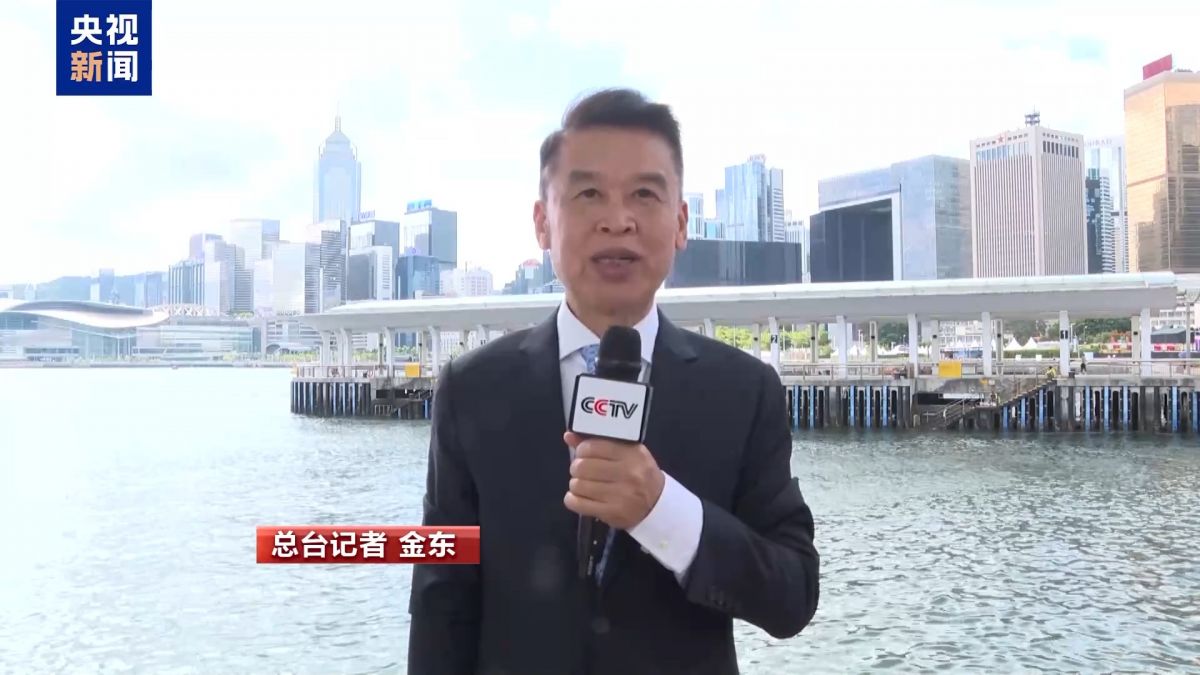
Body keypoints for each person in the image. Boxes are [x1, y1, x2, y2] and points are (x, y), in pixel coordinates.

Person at [407, 88, 820, 675]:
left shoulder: (744, 391)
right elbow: (441, 600)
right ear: (542, 223)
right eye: (589, 194)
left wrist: (662, 510)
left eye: (645, 194)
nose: (617, 219)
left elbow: (793, 594)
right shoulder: (472, 389)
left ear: (680, 224)